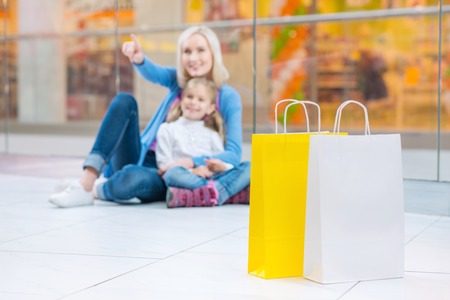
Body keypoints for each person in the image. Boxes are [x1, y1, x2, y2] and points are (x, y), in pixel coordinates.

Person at [49, 26, 250, 208]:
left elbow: (233, 153)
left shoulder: (228, 97)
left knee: (132, 179)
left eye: (200, 50)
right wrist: (139, 59)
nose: (193, 58)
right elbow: (154, 73)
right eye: (186, 51)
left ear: (213, 53)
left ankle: (99, 188)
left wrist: (189, 162)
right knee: (124, 101)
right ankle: (86, 182)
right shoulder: (178, 81)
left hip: (170, 174)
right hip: (143, 157)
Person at [156, 77, 250, 208]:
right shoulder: (167, 129)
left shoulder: (212, 134)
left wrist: (222, 167)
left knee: (249, 167)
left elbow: (220, 162)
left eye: (201, 99)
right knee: (172, 174)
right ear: (181, 100)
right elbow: (164, 166)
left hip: (213, 178)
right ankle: (224, 194)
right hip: (188, 178)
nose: (194, 102)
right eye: (189, 96)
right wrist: (193, 171)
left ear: (210, 108)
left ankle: (205, 195)